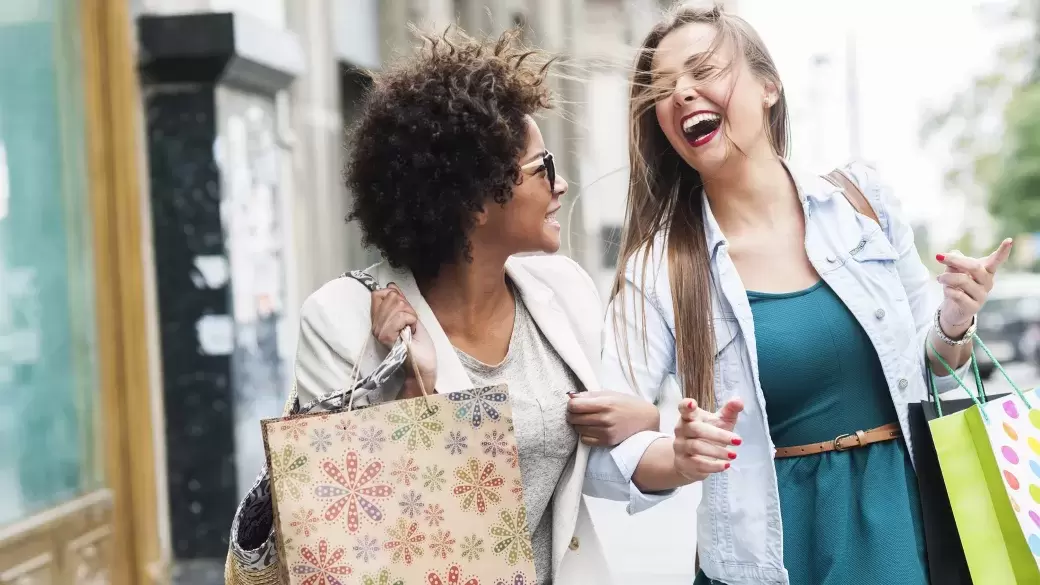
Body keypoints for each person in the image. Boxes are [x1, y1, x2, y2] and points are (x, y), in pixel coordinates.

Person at [600, 5, 1015, 585]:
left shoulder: (861, 205)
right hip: (767, 551)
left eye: (703, 70)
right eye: (664, 88)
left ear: (768, 86)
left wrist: (955, 319)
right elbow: (607, 455)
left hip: (900, 518)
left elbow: (936, 364)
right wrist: (679, 457)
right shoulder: (657, 269)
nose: (684, 94)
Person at [293, 27, 679, 585]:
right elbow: (349, 531)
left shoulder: (562, 292)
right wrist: (413, 401)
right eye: (543, 167)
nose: (562, 183)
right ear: (476, 199)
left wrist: (646, 430)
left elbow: (573, 458)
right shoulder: (342, 321)